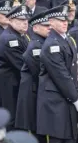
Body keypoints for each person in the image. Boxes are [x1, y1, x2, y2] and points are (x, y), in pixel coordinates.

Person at [37, 5, 78, 143]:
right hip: (55, 102)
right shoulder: (51, 45)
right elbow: (61, 75)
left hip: (66, 98)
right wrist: (76, 99)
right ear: (51, 22)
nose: (65, 22)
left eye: (65, 19)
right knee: (58, 138)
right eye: (60, 20)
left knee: (69, 137)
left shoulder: (65, 39)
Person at [0, 5, 30, 130]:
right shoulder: (10, 39)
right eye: (21, 20)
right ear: (11, 20)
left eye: (26, 20)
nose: (25, 23)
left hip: (14, 84)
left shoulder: (19, 35)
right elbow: (23, 65)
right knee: (11, 120)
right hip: (10, 86)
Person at [15, 12, 50, 141]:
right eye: (45, 26)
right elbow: (38, 73)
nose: (49, 28)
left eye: (49, 25)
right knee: (34, 131)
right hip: (32, 93)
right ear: (35, 28)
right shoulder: (36, 46)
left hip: (36, 92)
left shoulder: (42, 42)